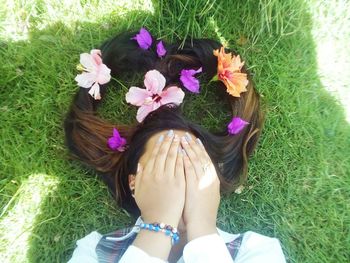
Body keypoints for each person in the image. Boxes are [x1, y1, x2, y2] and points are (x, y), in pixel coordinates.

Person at [64, 29, 285, 262]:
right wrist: (158, 225)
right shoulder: (92, 250)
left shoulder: (260, 250)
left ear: (213, 181)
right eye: (163, 164)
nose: (177, 179)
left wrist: (202, 226)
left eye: (191, 163)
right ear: (134, 184)